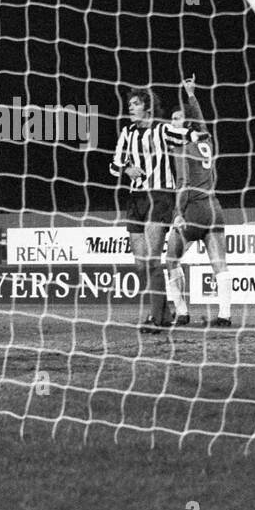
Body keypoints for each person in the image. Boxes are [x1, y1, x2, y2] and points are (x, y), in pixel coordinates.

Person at [160, 75, 233, 329]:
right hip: (215, 208)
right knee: (220, 264)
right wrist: (191, 95)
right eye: (173, 120)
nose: (174, 124)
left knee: (171, 258)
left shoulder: (180, 147)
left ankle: (181, 312)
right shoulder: (206, 139)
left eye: (178, 119)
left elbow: (183, 183)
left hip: (193, 210)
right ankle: (224, 316)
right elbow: (201, 120)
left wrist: (178, 212)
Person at [109, 87, 178, 331]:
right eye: (130, 104)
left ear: (148, 107)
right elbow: (114, 165)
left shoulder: (162, 129)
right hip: (135, 199)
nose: (130, 107)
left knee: (151, 259)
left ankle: (155, 319)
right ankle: (166, 313)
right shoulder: (127, 132)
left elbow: (184, 136)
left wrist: (198, 134)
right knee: (141, 264)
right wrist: (127, 168)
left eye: (136, 103)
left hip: (159, 197)